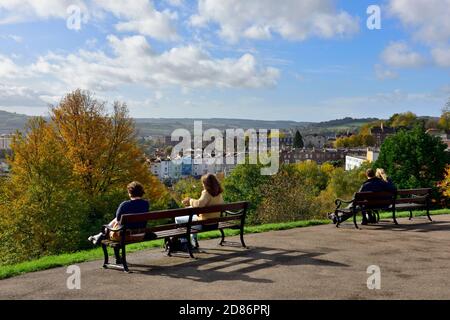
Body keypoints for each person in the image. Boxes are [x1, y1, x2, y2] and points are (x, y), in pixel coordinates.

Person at [88, 181, 150, 264]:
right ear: (141, 192)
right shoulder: (146, 204)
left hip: (124, 236)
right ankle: (99, 236)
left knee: (116, 227)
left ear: (129, 193)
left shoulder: (124, 205)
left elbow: (118, 219)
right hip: (140, 235)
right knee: (117, 223)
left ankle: (100, 237)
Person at [329, 168, 397, 225]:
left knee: (355, 205)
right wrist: (385, 176)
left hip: (369, 205)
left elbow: (356, 198)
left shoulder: (365, 185)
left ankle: (336, 218)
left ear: (366, 175)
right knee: (359, 205)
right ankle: (336, 217)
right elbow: (394, 189)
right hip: (382, 205)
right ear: (374, 174)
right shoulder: (383, 183)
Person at [175, 173, 224, 249]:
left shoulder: (206, 193)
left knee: (178, 219)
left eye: (203, 183)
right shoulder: (219, 193)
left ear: (207, 184)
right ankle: (194, 241)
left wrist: (190, 200)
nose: (202, 185)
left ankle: (184, 242)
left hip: (204, 225)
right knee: (192, 218)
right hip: (214, 224)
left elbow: (199, 204)